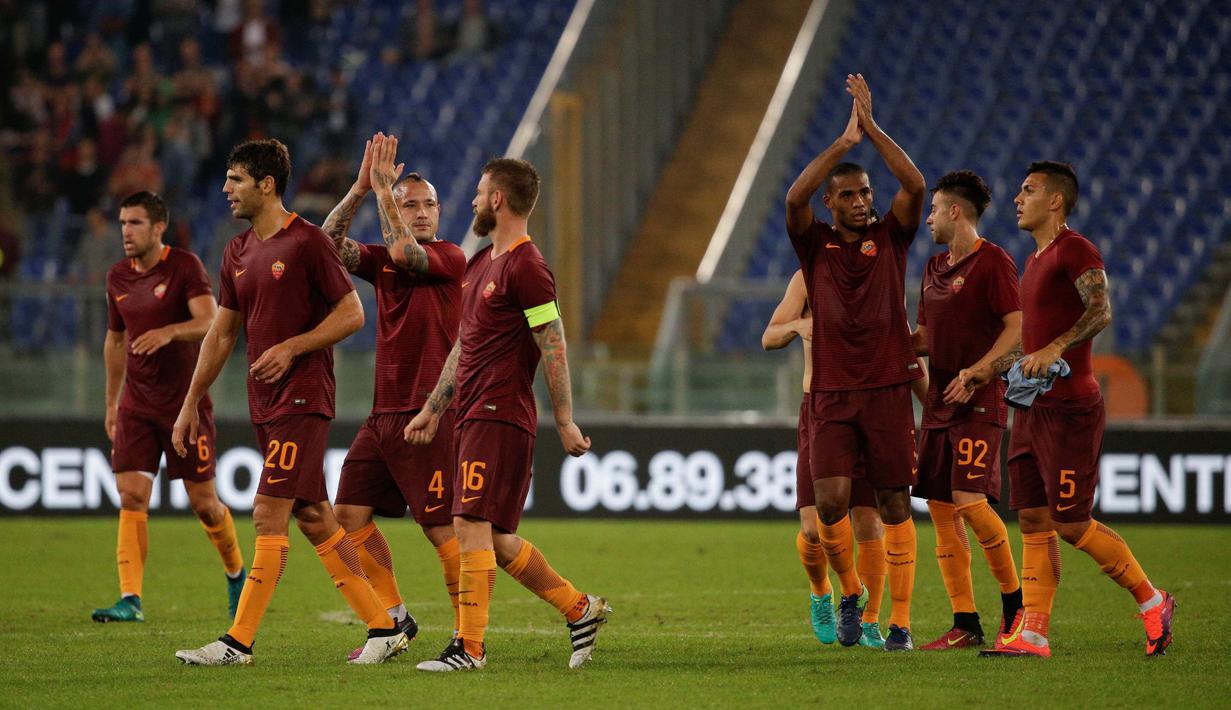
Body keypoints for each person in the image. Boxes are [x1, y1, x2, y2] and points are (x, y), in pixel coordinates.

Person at [171, 139, 405, 665]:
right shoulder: (236, 252)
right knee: (315, 516)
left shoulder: (307, 242)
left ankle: (238, 643)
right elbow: (221, 334)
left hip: (304, 397)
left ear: (266, 184)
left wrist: (291, 347)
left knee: (266, 513)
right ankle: (383, 626)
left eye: (235, 179)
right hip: (265, 402)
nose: (226, 189)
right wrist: (190, 402)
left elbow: (352, 313)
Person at [963, 161, 1175, 658]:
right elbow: (1032, 344)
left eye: (1028, 190)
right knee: (1034, 520)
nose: (1018, 199)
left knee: (1072, 523)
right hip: (1031, 411)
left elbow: (1101, 310)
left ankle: (1153, 600)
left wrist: (1057, 346)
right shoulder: (1034, 261)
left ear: (1055, 201)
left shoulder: (1075, 249)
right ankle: (1033, 634)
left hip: (1070, 410)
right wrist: (986, 370)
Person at [405, 158, 610, 671]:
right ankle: (580, 609)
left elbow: (552, 343)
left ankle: (469, 647)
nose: (474, 200)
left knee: (468, 521)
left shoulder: (527, 267)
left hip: (500, 411)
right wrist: (433, 408)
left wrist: (565, 418)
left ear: (497, 199)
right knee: (493, 538)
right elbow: (464, 346)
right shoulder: (480, 265)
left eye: (480, 192)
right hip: (471, 413)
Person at [784, 74, 926, 651]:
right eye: (848, 195)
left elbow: (914, 184)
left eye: (865, 192)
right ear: (831, 204)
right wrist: (842, 144)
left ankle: (901, 624)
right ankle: (849, 594)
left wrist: (873, 130)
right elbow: (793, 199)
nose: (862, 201)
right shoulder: (814, 245)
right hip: (832, 394)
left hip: (888, 389)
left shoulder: (892, 238)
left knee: (893, 504)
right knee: (830, 505)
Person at [321, 133, 466, 648]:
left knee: (441, 530)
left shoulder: (451, 257)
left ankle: (468, 634)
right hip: (382, 415)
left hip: (430, 412)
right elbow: (326, 245)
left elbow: (406, 254)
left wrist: (386, 190)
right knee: (348, 515)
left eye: (429, 205)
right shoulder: (381, 259)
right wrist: (362, 187)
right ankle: (397, 616)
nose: (422, 213)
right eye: (411, 205)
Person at [92, 190, 245, 624]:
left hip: (185, 406)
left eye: (135, 223)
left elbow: (211, 321)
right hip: (137, 404)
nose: (126, 231)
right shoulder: (117, 277)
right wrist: (111, 403)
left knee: (204, 503)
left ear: (159, 227)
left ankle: (236, 572)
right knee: (131, 495)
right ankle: (130, 598)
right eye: (123, 223)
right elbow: (115, 342)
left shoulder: (184, 267)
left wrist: (169, 332)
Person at [764, 270, 930, 649]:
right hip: (822, 407)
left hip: (874, 406)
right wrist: (799, 325)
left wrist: (934, 410)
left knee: (870, 522)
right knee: (813, 529)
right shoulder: (808, 277)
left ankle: (869, 619)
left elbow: (903, 349)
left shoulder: (879, 277)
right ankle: (823, 591)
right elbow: (769, 336)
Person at [909, 171, 1023, 650]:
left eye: (934, 209)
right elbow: (925, 338)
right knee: (941, 510)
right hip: (938, 404)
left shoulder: (993, 261)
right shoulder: (933, 267)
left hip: (979, 401)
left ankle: (1016, 610)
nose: (928, 219)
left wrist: (978, 371)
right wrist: (878, 339)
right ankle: (965, 622)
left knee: (970, 502)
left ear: (955, 211)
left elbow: (1018, 329)